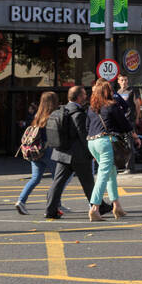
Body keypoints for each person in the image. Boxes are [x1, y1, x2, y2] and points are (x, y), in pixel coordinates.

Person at [44, 86, 111, 220]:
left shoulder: (63, 109)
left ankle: (50, 210)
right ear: (79, 97)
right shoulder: (78, 113)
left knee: (58, 182)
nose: (86, 97)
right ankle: (99, 206)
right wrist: (92, 153)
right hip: (78, 155)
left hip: (62, 153)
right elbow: (83, 135)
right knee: (88, 183)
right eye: (84, 95)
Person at [87, 80, 135, 221]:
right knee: (103, 174)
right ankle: (94, 208)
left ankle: (117, 206)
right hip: (106, 142)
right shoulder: (112, 106)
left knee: (111, 173)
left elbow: (87, 126)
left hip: (92, 142)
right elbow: (125, 124)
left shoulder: (91, 108)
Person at [15, 92, 59, 215]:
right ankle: (55, 203)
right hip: (48, 150)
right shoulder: (53, 116)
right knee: (57, 178)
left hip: (35, 151)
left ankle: (21, 201)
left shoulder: (37, 116)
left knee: (35, 178)